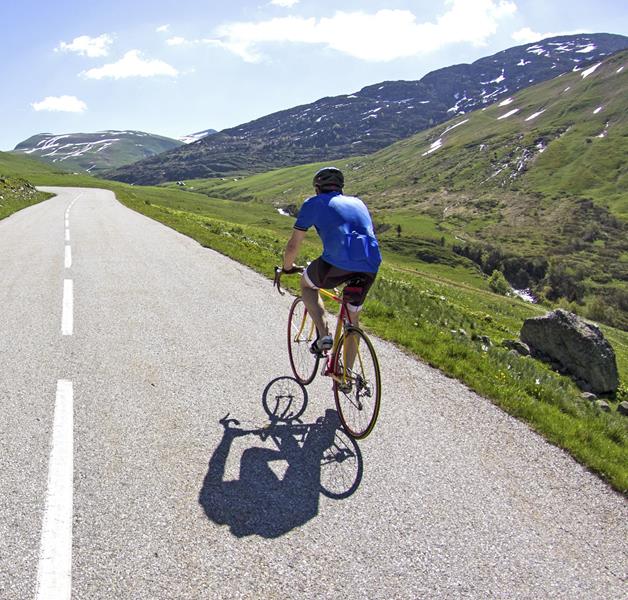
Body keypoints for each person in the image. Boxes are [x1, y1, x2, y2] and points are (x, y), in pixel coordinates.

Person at [282, 166, 382, 355]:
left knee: (307, 285)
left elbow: (293, 245)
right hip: (370, 263)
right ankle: (346, 379)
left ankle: (324, 334)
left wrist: (288, 267)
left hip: (337, 261)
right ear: (340, 188)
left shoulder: (313, 203)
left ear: (317, 188)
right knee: (353, 319)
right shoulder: (358, 203)